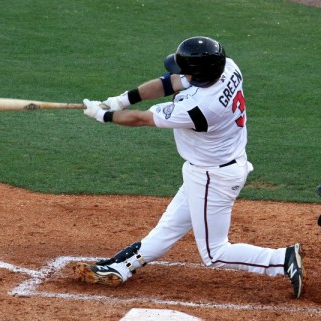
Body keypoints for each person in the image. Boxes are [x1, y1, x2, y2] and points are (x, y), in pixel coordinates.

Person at [74, 36, 304, 299]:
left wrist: (104, 115)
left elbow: (141, 119)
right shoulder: (227, 67)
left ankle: (281, 259)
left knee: (215, 253)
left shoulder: (199, 108)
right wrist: (121, 100)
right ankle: (121, 268)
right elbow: (169, 82)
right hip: (213, 167)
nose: (181, 74)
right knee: (169, 227)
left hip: (213, 175)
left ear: (200, 74)